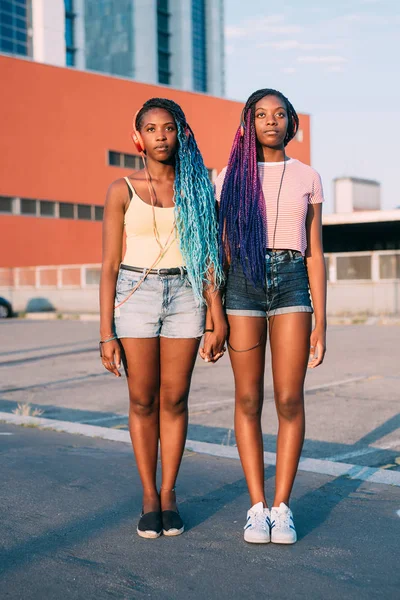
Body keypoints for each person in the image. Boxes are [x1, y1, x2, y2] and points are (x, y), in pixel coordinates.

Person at [99, 98, 225, 539]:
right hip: (135, 296)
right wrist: (105, 334)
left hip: (187, 295)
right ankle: (148, 496)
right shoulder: (121, 190)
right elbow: (110, 265)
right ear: (138, 138)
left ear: (180, 134)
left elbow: (208, 256)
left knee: (176, 399)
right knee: (142, 399)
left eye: (168, 128)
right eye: (150, 129)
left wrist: (217, 317)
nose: (160, 136)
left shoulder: (197, 190)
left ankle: (169, 494)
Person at [215, 88, 327, 544]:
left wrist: (323, 321)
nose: (271, 121)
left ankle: (282, 508)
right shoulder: (229, 177)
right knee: (247, 399)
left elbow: (316, 252)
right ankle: (256, 506)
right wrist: (214, 316)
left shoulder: (308, 176)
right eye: (261, 114)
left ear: (291, 124)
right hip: (242, 280)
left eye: (280, 114)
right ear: (249, 122)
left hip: (292, 281)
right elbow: (220, 249)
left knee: (288, 399)